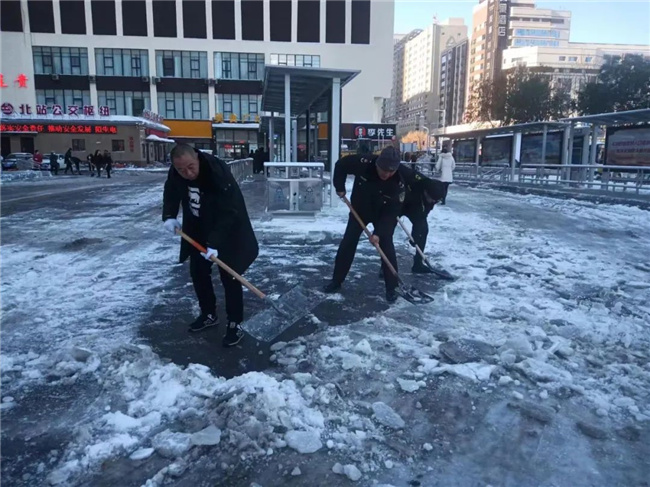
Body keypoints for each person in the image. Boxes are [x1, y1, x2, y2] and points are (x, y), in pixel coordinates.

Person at [162, 144, 259, 347]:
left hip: (228, 229)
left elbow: (229, 211)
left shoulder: (217, 172)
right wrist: (169, 215)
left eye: (191, 167)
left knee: (230, 276)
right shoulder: (177, 170)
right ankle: (208, 314)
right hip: (198, 228)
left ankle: (235, 323)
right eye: (181, 169)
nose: (187, 173)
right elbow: (171, 190)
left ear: (197, 158)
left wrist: (214, 243)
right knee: (198, 272)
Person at [323, 147, 406, 303]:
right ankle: (336, 281)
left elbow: (391, 214)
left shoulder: (398, 183)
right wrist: (339, 187)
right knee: (348, 243)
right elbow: (341, 165)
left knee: (386, 246)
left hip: (382, 214)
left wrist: (379, 233)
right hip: (359, 211)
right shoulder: (363, 162)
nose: (387, 174)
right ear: (378, 163)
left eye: (391, 171)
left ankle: (392, 287)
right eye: (384, 170)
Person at [400, 171, 446, 273]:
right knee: (387, 231)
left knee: (423, 230)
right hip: (400, 204)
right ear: (425, 192)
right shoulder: (414, 182)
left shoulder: (434, 195)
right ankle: (385, 266)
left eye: (436, 201)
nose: (434, 202)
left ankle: (418, 264)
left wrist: (415, 234)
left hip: (416, 209)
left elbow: (422, 215)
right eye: (432, 199)